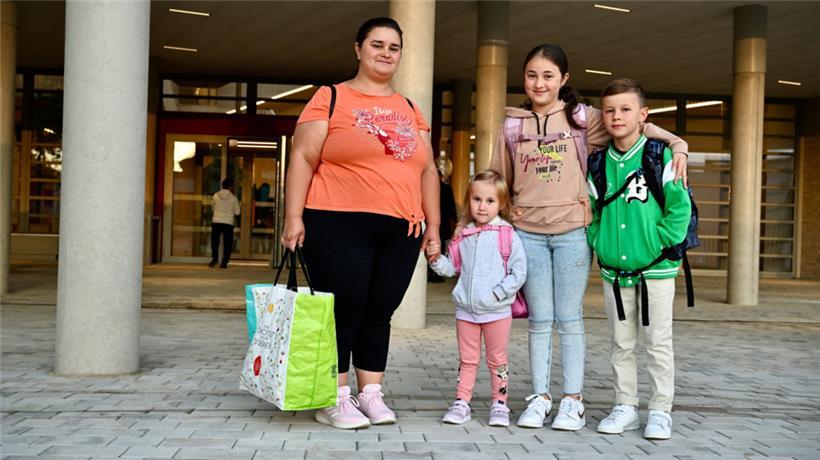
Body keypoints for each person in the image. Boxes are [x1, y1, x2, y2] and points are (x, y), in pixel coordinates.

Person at [478, 43, 689, 431]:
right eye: (531, 75)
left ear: (564, 79)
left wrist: (677, 142)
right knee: (540, 320)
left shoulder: (582, 118)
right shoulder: (511, 125)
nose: (539, 83)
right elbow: (496, 178)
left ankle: (572, 401)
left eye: (548, 75)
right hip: (529, 234)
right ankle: (540, 398)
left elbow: (632, 122)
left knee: (570, 319)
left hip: (573, 234)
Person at [281, 17, 440, 430]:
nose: (386, 53)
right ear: (358, 49)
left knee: (379, 310)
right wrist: (293, 216)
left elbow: (427, 171)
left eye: (394, 47)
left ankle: (370, 393)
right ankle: (332, 397)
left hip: (401, 227)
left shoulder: (409, 108)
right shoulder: (331, 97)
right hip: (337, 220)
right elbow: (302, 157)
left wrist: (434, 227)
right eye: (377, 44)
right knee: (343, 310)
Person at [588, 79, 691, 440]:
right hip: (615, 272)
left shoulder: (660, 155)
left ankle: (660, 409)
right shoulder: (598, 161)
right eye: (610, 110)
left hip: (657, 270)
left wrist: (659, 244)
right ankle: (625, 405)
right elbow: (593, 210)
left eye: (626, 109)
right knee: (621, 342)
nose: (617, 116)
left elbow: (679, 208)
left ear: (643, 115)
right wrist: (597, 241)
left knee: (658, 342)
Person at [426, 170, 526, 427]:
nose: (482, 206)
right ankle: (461, 402)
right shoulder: (464, 236)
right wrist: (436, 260)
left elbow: (519, 272)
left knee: (498, 360)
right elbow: (453, 268)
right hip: (466, 312)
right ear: (469, 200)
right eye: (477, 199)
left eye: (490, 201)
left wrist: (498, 294)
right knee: (468, 360)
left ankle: (500, 403)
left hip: (497, 312)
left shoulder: (508, 235)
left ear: (501, 204)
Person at [428, 170, 457, 283]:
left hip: (430, 219)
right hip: (444, 220)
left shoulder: (430, 188)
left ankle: (432, 272)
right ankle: (436, 272)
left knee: (431, 245)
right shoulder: (447, 188)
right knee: (441, 244)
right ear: (441, 176)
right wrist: (455, 220)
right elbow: (451, 205)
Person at [210, 178, 240, 269]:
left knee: (215, 241)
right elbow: (237, 212)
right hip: (228, 223)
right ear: (230, 186)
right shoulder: (233, 198)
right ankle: (224, 262)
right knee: (227, 243)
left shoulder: (215, 196)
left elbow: (213, 208)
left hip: (216, 221)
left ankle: (215, 259)